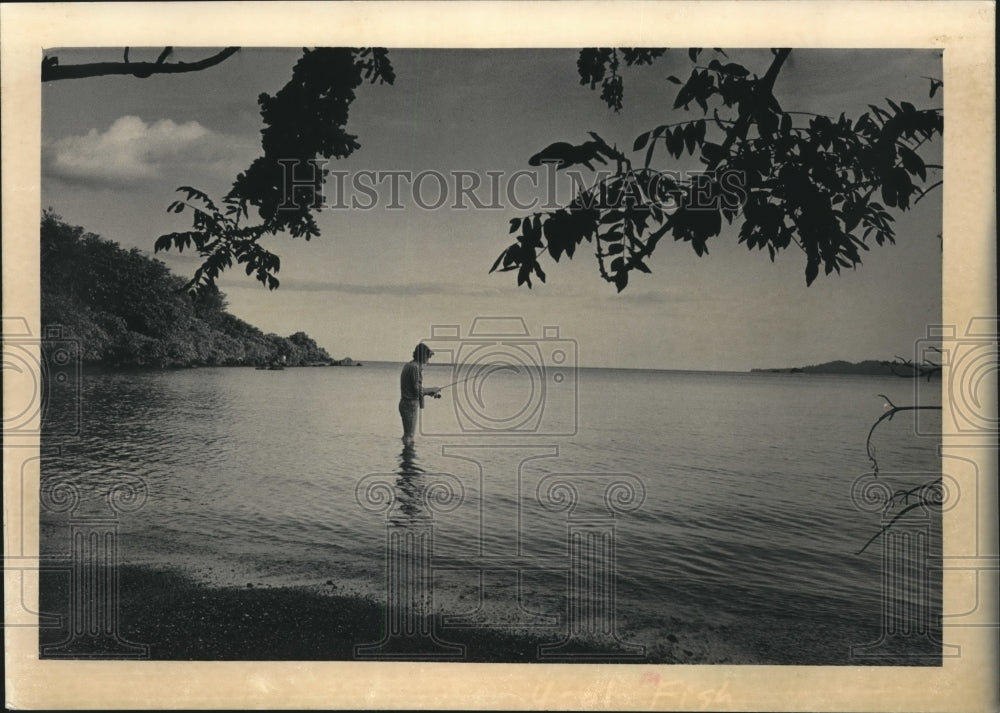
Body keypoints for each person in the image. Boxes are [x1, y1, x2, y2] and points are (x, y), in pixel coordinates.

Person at [399, 343, 441, 446]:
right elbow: (417, 390)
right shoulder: (415, 368)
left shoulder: (409, 365)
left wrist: (429, 393)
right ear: (422, 356)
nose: (428, 359)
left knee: (407, 435)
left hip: (405, 403)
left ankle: (406, 458)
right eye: (428, 356)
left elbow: (414, 389)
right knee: (409, 436)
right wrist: (433, 389)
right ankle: (408, 460)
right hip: (410, 405)